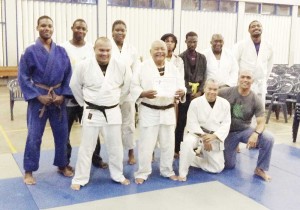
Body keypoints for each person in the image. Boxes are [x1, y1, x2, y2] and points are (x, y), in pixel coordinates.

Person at [18, 15, 74, 185]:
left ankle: (62, 165)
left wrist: (62, 95)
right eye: (43, 25)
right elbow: (23, 77)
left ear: (53, 28)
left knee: (62, 134)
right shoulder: (30, 51)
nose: (46, 28)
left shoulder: (62, 51)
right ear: (37, 28)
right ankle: (29, 170)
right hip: (38, 98)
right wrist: (37, 96)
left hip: (57, 99)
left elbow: (68, 76)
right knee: (34, 135)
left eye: (49, 26)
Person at [70, 37, 130, 190]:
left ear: (112, 50)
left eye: (107, 50)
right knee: (86, 147)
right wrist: (85, 104)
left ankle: (118, 175)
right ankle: (80, 178)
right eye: (101, 50)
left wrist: (115, 101)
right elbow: (75, 86)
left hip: (112, 110)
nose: (104, 53)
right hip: (91, 110)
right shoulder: (84, 65)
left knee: (115, 146)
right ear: (94, 50)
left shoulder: (121, 66)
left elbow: (126, 87)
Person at [130, 40, 186, 184]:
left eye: (162, 48)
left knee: (168, 143)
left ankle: (167, 170)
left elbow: (181, 85)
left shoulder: (173, 68)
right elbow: (134, 86)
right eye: (156, 49)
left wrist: (182, 92)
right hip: (149, 110)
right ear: (150, 51)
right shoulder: (142, 67)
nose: (160, 51)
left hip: (168, 110)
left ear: (167, 51)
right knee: (146, 144)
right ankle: (142, 172)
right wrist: (142, 94)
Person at [61, 19, 108, 169]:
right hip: (68, 95)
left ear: (86, 31)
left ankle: (96, 158)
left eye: (83, 29)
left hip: (87, 97)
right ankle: (65, 162)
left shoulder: (91, 49)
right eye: (78, 28)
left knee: (93, 129)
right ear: (72, 28)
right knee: (64, 131)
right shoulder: (63, 47)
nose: (80, 31)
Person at [218, 70, 274, 182]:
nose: (245, 80)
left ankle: (260, 169)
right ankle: (232, 146)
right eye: (243, 77)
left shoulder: (255, 99)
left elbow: (261, 122)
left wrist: (255, 134)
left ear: (252, 81)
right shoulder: (226, 92)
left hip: (244, 130)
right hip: (228, 132)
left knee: (268, 138)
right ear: (238, 78)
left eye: (248, 78)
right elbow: (210, 94)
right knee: (229, 165)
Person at [178, 79, 231, 181]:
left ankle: (192, 158)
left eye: (215, 89)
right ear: (204, 89)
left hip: (214, 136)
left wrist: (214, 136)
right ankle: (182, 173)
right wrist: (204, 138)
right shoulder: (195, 102)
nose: (212, 92)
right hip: (197, 134)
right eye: (209, 88)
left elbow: (226, 124)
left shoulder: (224, 104)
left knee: (217, 168)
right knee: (187, 143)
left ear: (218, 90)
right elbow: (191, 123)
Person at [111, 20, 140, 165]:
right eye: (117, 30)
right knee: (113, 124)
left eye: (123, 30)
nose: (120, 32)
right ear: (112, 32)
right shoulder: (108, 47)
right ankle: (116, 154)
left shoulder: (132, 49)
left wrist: (132, 88)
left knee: (128, 124)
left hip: (128, 92)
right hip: (112, 92)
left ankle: (130, 152)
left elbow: (137, 70)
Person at [175, 31, 207, 158]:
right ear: (185, 41)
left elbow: (205, 76)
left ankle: (196, 148)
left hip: (199, 95)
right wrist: (188, 91)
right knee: (181, 122)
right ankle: (177, 148)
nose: (192, 44)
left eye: (195, 41)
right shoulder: (180, 58)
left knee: (198, 122)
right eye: (190, 41)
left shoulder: (202, 58)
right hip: (186, 95)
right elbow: (179, 77)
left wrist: (200, 91)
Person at [234, 20, 273, 104]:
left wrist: (264, 79)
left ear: (262, 28)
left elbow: (269, 65)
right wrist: (238, 80)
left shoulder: (269, 46)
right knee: (242, 112)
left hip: (260, 84)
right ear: (249, 30)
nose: (256, 28)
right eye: (253, 26)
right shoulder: (240, 45)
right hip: (243, 83)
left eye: (258, 26)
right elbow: (234, 63)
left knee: (259, 112)